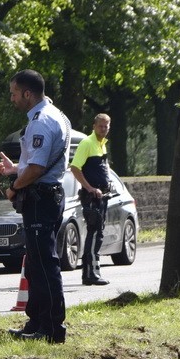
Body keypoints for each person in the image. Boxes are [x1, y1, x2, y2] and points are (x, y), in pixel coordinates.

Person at [0, 70, 70, 343]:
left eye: (14, 93)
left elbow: (38, 168)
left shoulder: (41, 122)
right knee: (38, 264)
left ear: (28, 94)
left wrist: (14, 185)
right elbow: (39, 162)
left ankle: (51, 328)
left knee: (44, 263)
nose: (12, 98)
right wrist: (15, 168)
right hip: (48, 196)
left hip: (40, 197)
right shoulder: (57, 114)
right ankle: (37, 322)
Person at [70, 113, 112, 286]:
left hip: (102, 196)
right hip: (91, 197)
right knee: (95, 233)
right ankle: (91, 273)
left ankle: (90, 273)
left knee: (97, 233)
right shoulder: (87, 143)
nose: (103, 129)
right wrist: (90, 188)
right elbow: (74, 168)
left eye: (106, 126)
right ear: (94, 126)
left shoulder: (102, 145)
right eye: (101, 126)